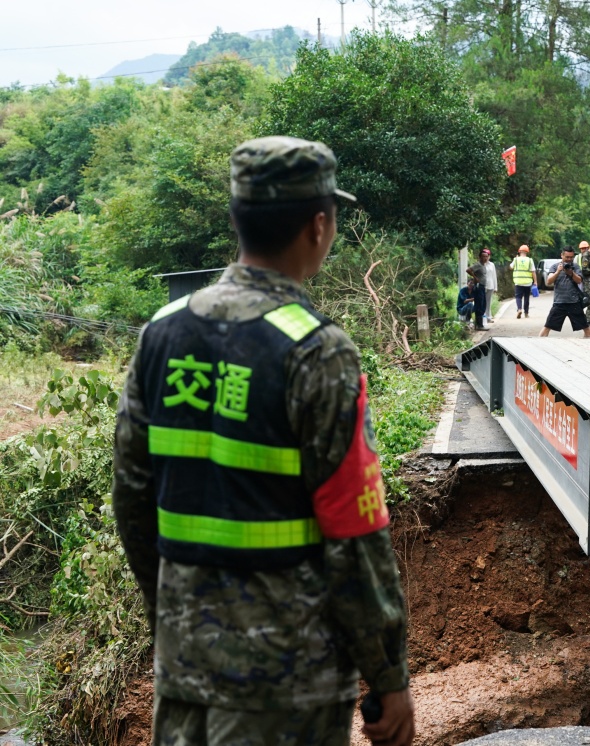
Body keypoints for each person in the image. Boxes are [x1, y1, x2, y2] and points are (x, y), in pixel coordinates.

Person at [112, 136, 414, 745]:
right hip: (286, 686)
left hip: (184, 669)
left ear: (236, 219)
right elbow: (354, 534)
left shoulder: (162, 333)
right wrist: (387, 674)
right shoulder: (317, 350)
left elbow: (133, 502)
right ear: (319, 224)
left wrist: (171, 621)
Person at [541, 246, 590, 338]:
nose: (569, 259)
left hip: (574, 303)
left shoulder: (576, 266)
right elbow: (549, 281)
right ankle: (539, 346)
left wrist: (571, 273)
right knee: (547, 327)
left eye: (571, 257)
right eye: (567, 257)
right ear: (562, 255)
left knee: (586, 327)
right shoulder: (555, 267)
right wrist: (558, 271)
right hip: (559, 303)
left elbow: (579, 281)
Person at [509, 244, 537, 319]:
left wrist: (515, 259)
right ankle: (526, 313)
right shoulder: (530, 260)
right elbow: (533, 271)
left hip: (518, 281)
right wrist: (535, 282)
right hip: (527, 282)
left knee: (518, 297)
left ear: (519, 252)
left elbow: (511, 267)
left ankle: (519, 309)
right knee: (527, 297)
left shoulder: (516, 259)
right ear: (527, 252)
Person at [479, 248, 498, 321]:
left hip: (490, 285)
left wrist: (495, 287)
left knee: (488, 302)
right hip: (482, 286)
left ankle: (488, 316)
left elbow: (494, 276)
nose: (486, 258)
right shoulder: (480, 264)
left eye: (487, 256)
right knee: (482, 302)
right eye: (484, 256)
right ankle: (482, 317)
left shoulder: (492, 265)